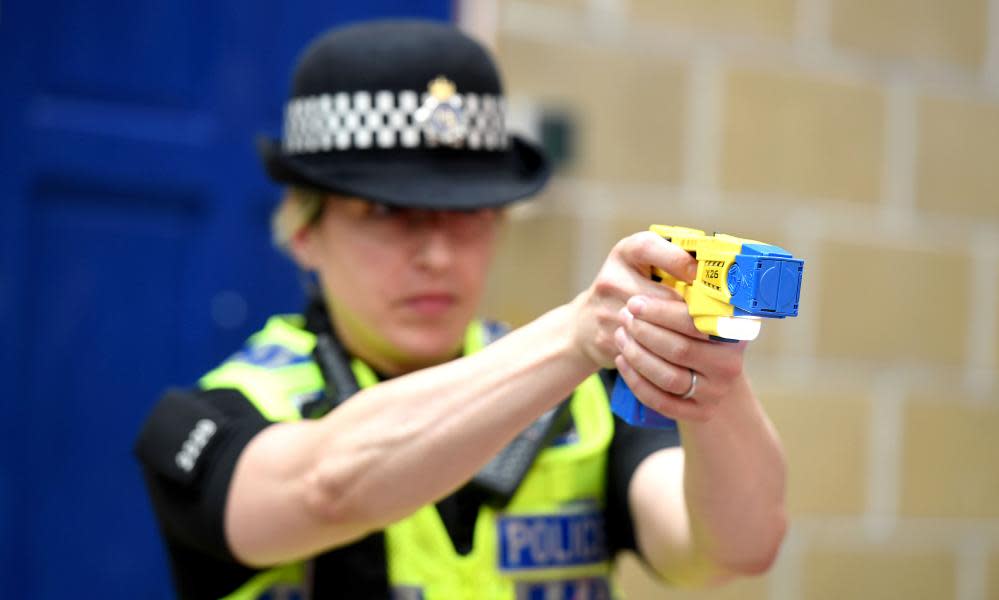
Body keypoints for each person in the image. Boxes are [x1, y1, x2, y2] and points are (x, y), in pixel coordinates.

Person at [135, 19, 786, 600]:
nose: (437, 255)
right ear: (305, 232)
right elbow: (325, 489)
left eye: (468, 214)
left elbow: (736, 549)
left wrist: (704, 370)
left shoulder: (592, 398)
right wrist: (572, 335)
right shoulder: (215, 417)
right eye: (387, 213)